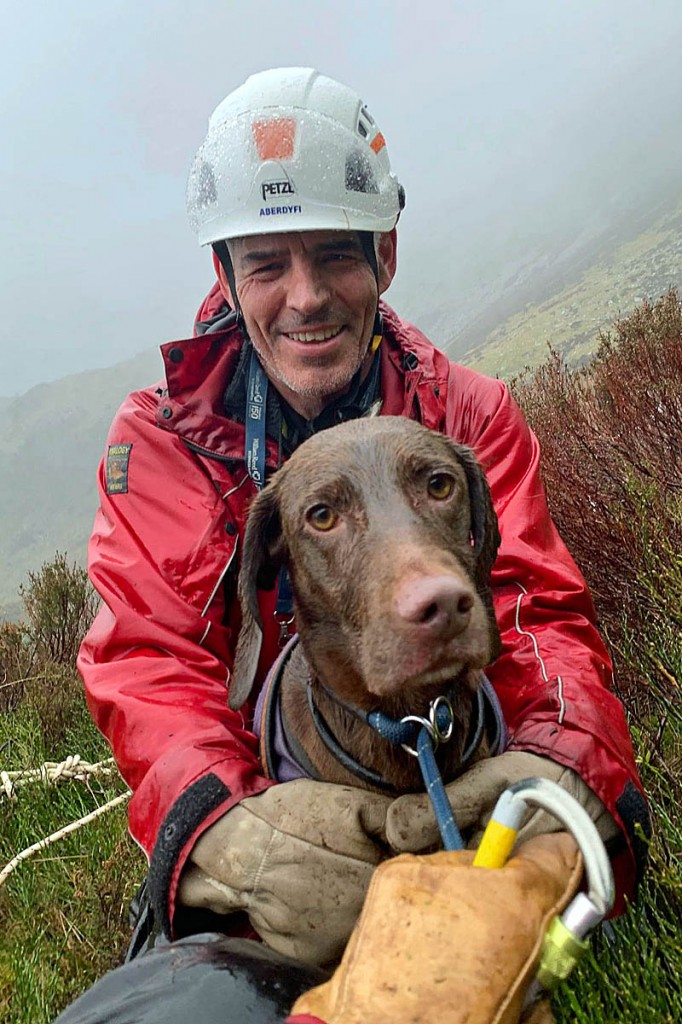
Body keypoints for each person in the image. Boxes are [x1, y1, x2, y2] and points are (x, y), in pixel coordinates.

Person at [78, 67, 649, 972]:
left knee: (571, 928)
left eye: (336, 255)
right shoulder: (162, 444)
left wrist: (555, 771)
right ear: (225, 276)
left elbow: (541, 619)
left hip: (469, 773)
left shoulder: (466, 413)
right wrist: (230, 832)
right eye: (267, 263)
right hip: (287, 812)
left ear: (385, 255)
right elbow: (148, 661)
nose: (305, 296)